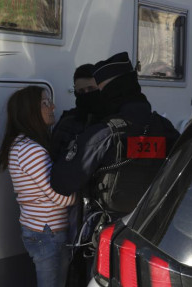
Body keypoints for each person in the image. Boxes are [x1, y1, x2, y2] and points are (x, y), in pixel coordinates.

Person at [0, 86, 76, 287]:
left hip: (38, 231)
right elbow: (60, 197)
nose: (52, 106)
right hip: (48, 235)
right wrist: (83, 193)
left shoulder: (22, 145)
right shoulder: (32, 150)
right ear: (31, 112)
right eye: (45, 103)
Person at [51, 52, 180, 212]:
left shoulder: (103, 134)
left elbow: (62, 182)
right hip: (149, 224)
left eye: (101, 91)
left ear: (114, 91)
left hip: (109, 228)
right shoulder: (165, 127)